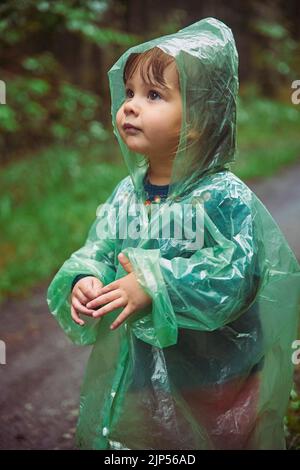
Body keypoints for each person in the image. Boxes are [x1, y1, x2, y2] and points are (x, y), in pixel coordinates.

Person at [47, 17, 300, 450]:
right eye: (128, 93)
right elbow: (101, 247)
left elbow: (233, 277)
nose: (130, 106)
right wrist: (85, 279)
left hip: (215, 378)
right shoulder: (128, 194)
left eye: (153, 95)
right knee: (144, 439)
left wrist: (156, 282)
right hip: (141, 377)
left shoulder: (223, 198)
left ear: (200, 116)